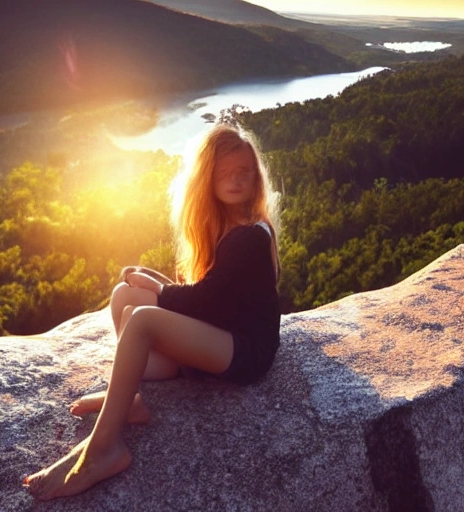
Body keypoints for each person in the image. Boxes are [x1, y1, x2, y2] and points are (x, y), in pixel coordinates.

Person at [23, 123, 281, 500]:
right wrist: (150, 284)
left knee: (142, 318)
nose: (236, 180)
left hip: (246, 351)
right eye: (225, 173)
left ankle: (104, 449)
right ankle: (127, 399)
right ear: (207, 179)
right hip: (219, 330)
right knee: (124, 297)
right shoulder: (223, 225)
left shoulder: (251, 235)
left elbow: (201, 297)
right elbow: (208, 299)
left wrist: (158, 289)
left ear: (255, 176)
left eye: (244, 172)